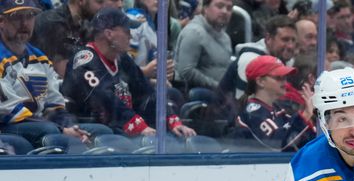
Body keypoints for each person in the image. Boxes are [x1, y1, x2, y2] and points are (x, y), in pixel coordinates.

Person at [62, 8, 196, 139]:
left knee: (172, 137)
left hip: (118, 126)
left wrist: (171, 120)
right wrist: (140, 126)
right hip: (89, 129)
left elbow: (146, 92)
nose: (131, 36)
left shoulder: (122, 59)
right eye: (127, 31)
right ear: (109, 34)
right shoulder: (84, 60)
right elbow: (106, 98)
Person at [0, 0, 110, 147]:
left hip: (41, 125)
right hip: (7, 126)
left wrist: (69, 126)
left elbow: (55, 105)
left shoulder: (40, 58)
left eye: (30, 16)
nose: (24, 23)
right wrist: (61, 129)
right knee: (49, 130)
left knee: (101, 131)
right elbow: (9, 113)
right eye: (17, 17)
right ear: (1, 21)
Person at [233, 55, 314, 151]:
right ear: (260, 81)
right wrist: (304, 116)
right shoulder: (253, 112)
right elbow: (278, 144)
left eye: (285, 77)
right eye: (279, 77)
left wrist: (308, 115)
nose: (285, 82)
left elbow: (297, 139)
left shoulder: (277, 109)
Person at [174, 0, 233, 92]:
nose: (225, 11)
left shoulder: (226, 38)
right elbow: (186, 71)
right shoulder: (194, 32)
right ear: (205, 8)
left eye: (229, 8)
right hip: (197, 95)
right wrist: (218, 87)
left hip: (220, 96)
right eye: (220, 6)